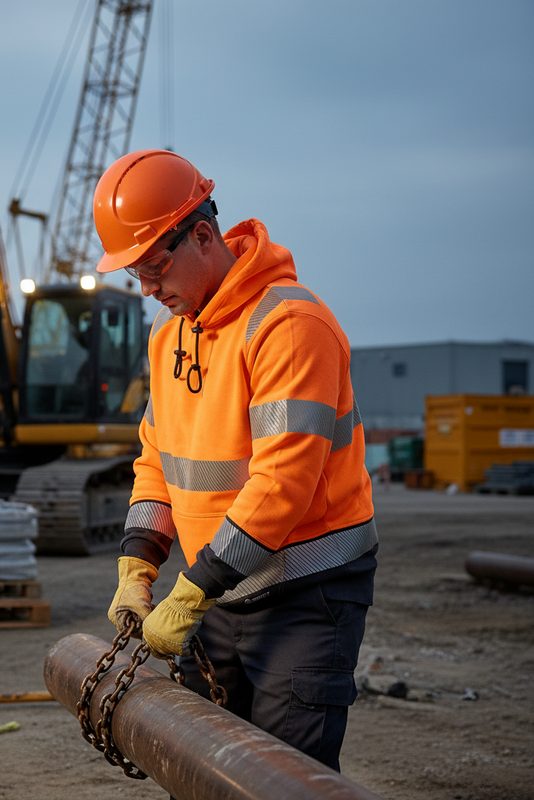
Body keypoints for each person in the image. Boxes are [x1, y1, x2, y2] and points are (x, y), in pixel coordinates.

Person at [94, 149, 378, 773]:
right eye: (134, 275)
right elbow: (157, 461)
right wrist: (138, 567)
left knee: (281, 779)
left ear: (202, 235)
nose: (147, 290)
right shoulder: (170, 336)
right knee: (208, 770)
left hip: (307, 596)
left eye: (153, 268)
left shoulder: (290, 325)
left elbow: (282, 483)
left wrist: (193, 591)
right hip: (220, 593)